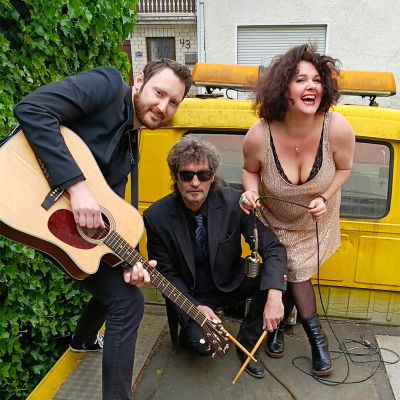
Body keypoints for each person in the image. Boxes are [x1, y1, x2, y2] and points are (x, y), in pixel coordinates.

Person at [13, 58, 192, 399]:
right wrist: (76, 187)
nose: (163, 107)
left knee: (119, 278)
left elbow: (113, 214)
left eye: (173, 102)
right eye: (159, 93)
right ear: (139, 81)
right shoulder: (108, 86)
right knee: (130, 303)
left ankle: (82, 340)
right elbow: (32, 109)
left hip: (59, 225)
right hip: (28, 192)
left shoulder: (131, 144)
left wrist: (132, 261)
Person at [240, 44, 355, 376]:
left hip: (313, 222)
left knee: (296, 272)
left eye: (317, 80)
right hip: (274, 221)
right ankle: (313, 340)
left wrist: (326, 196)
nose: (311, 86)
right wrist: (250, 193)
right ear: (283, 89)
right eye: (300, 79)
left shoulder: (337, 129)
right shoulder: (259, 135)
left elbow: (344, 169)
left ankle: (288, 333)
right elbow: (249, 170)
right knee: (289, 270)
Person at [143, 136, 288, 379]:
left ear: (213, 176)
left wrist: (274, 295)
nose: (195, 182)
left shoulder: (233, 203)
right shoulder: (156, 217)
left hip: (231, 281)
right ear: (174, 176)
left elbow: (273, 247)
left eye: (203, 174)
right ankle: (193, 327)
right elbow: (165, 274)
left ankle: (248, 344)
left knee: (276, 279)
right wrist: (194, 307)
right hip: (192, 295)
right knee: (205, 347)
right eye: (186, 175)